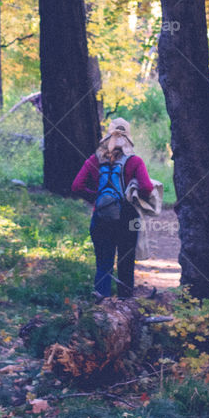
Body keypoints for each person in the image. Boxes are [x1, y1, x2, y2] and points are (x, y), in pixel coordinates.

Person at [71, 117, 154, 299]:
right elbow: (147, 188)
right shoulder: (134, 161)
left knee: (104, 264)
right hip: (128, 219)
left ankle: (101, 308)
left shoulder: (94, 160)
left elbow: (76, 186)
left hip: (101, 218)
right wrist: (134, 194)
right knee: (126, 264)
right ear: (129, 139)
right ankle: (125, 305)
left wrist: (98, 196)